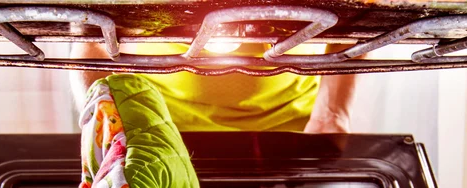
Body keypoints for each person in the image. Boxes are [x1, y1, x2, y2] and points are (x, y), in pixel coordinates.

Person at [70, 42, 358, 135]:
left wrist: (329, 116)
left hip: (292, 130)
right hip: (156, 129)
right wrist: (108, 130)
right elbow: (88, 34)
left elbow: (356, 22)